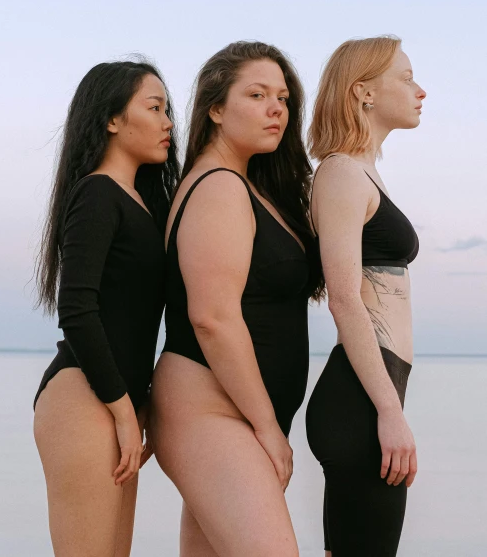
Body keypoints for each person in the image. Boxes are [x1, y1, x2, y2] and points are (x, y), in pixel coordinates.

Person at [148, 41, 323, 557]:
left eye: (284, 98)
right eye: (257, 94)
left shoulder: (247, 185)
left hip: (232, 416)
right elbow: (212, 319)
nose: (277, 109)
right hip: (212, 414)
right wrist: (268, 427)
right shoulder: (219, 187)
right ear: (216, 109)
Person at [33, 59, 179, 557]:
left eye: (168, 110)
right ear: (112, 119)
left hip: (118, 402)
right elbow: (76, 309)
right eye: (154, 107)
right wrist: (121, 409)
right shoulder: (97, 193)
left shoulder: (141, 203)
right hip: (86, 396)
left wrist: (140, 406)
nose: (168, 123)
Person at [305, 36, 426, 556]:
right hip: (359, 402)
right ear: (363, 92)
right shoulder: (339, 173)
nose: (420, 90)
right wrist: (389, 413)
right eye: (405, 77)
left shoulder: (362, 173)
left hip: (371, 397)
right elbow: (344, 298)